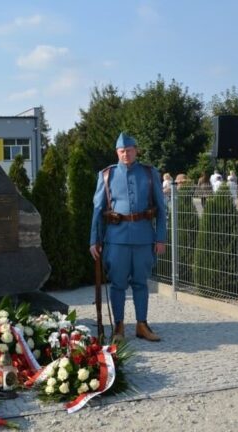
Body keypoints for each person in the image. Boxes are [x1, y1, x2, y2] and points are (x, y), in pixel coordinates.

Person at [89, 133, 167, 342]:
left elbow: (161, 208)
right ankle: (119, 328)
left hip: (144, 237)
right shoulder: (106, 175)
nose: (126, 154)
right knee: (118, 284)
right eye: (122, 151)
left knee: (141, 283)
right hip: (116, 239)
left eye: (129, 150)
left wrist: (160, 238)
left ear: (136, 150)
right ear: (117, 152)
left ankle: (142, 325)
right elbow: (98, 209)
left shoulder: (150, 174)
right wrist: (94, 240)